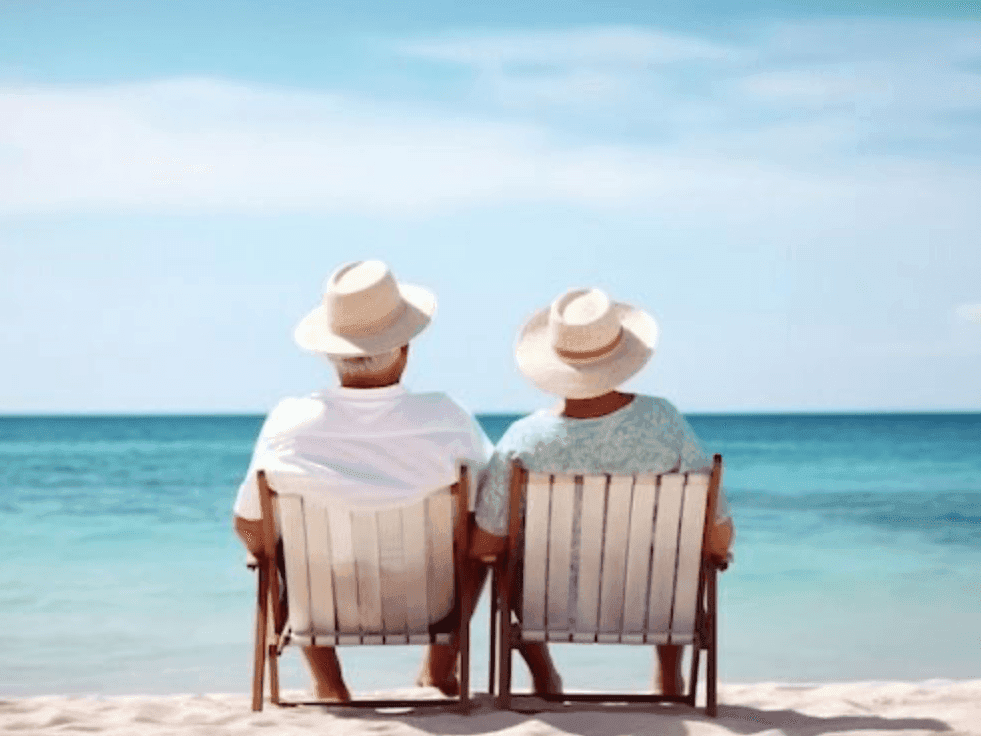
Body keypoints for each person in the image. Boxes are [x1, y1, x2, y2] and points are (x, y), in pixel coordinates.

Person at [231, 259, 496, 701]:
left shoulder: (290, 422)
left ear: (329, 352)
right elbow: (491, 511)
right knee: (476, 543)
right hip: (430, 603)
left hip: (322, 605)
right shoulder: (447, 417)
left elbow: (249, 525)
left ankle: (329, 685)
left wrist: (268, 552)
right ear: (406, 348)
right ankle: (439, 669)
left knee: (281, 551)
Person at [472, 287, 734, 696]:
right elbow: (716, 528)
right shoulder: (663, 421)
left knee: (504, 559)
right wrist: (718, 551)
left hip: (547, 608)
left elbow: (484, 543)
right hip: (655, 606)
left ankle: (544, 674)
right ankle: (668, 675)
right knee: (682, 557)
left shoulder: (524, 440)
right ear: (621, 358)